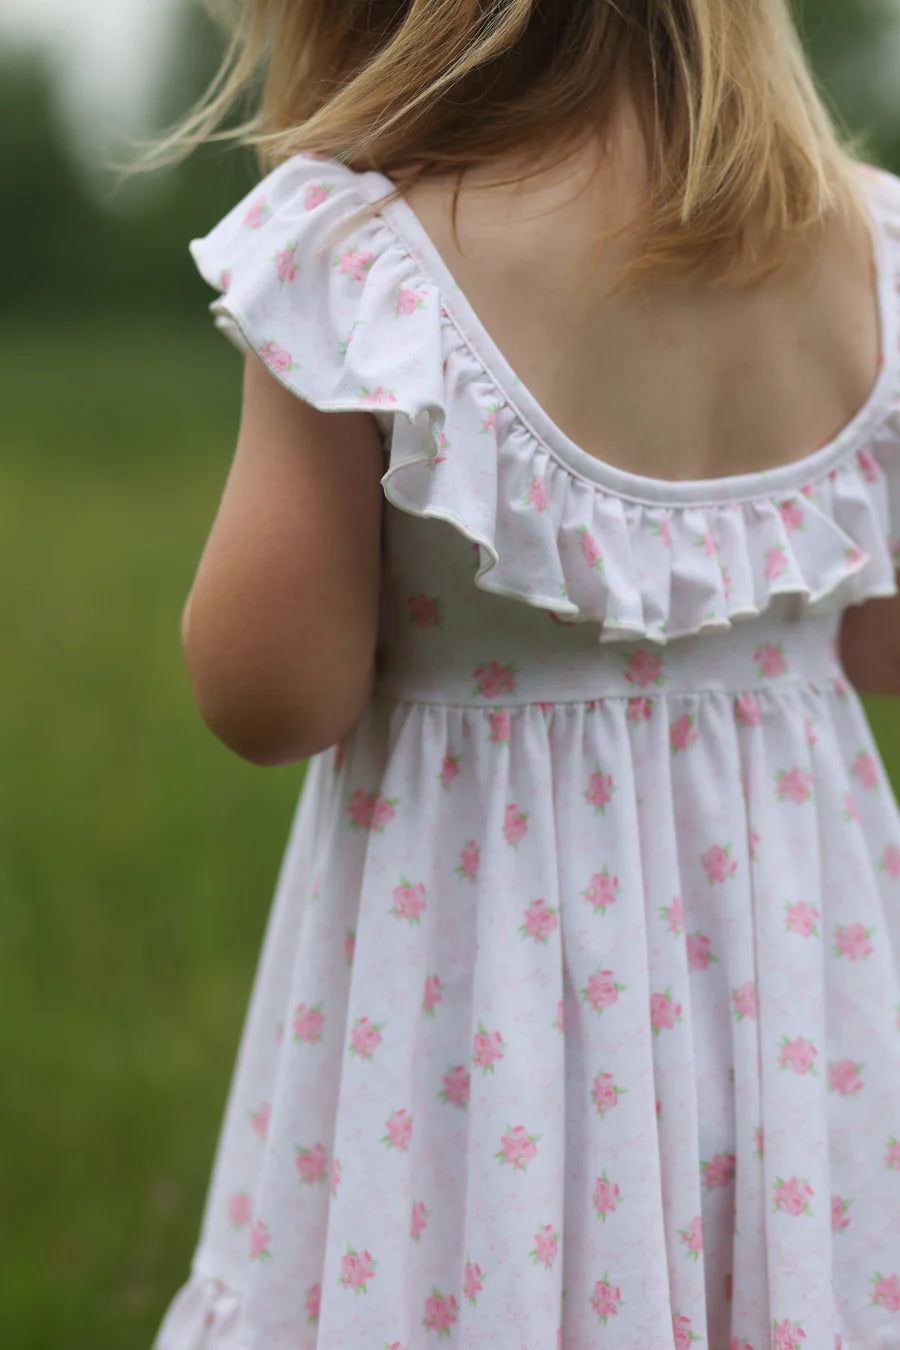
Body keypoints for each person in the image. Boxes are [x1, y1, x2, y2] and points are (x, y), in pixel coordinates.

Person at [147, 2, 900, 1347]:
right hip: (799, 1001)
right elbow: (880, 645)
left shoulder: (362, 260)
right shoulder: (868, 248)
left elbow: (269, 692)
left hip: (487, 1010)